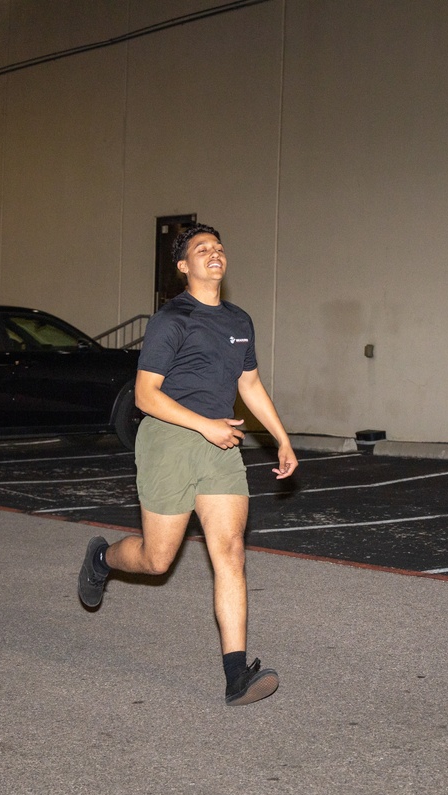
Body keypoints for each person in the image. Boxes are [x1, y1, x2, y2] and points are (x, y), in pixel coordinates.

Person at [78, 223, 298, 705]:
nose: (214, 253)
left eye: (218, 247)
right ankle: (102, 558)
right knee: (157, 561)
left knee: (231, 551)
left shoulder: (240, 321)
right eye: (202, 249)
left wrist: (282, 438)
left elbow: (250, 386)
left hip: (220, 445)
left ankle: (236, 674)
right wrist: (204, 424)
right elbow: (144, 395)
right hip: (170, 441)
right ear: (184, 266)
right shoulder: (171, 319)